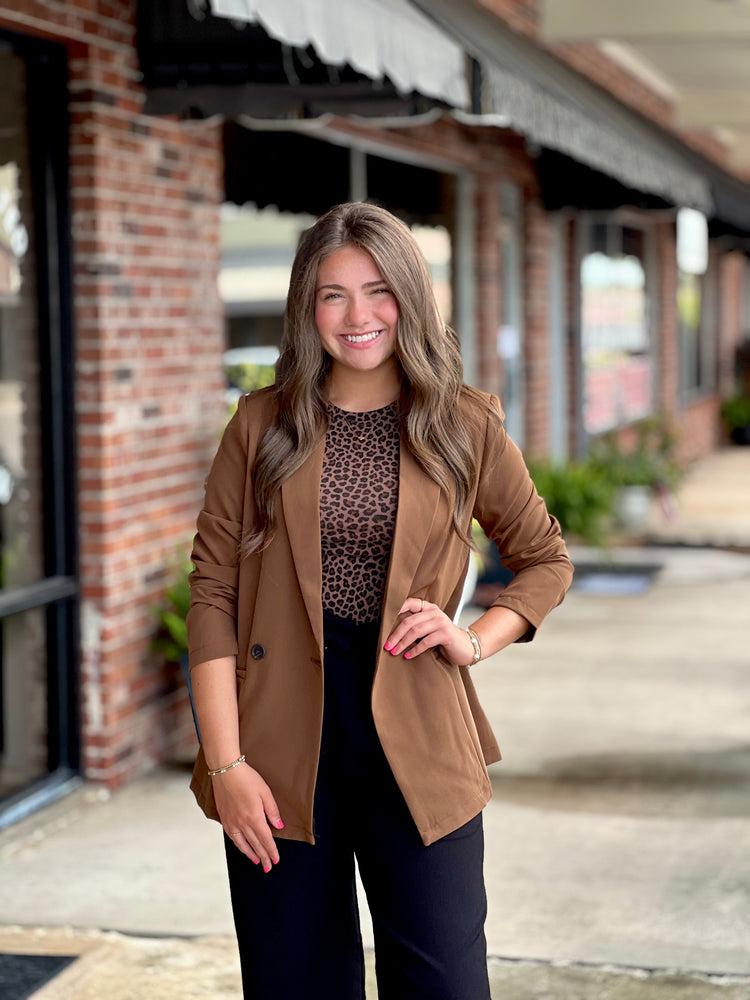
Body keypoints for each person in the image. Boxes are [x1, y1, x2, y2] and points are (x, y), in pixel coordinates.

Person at [187, 202, 573, 1000]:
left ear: (409, 295)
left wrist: (473, 640)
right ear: (307, 307)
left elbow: (543, 559)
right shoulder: (260, 425)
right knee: (295, 982)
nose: (357, 316)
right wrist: (227, 766)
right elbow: (214, 595)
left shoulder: (463, 422)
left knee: (445, 983)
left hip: (419, 726)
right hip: (283, 738)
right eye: (332, 294)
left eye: (376, 291)